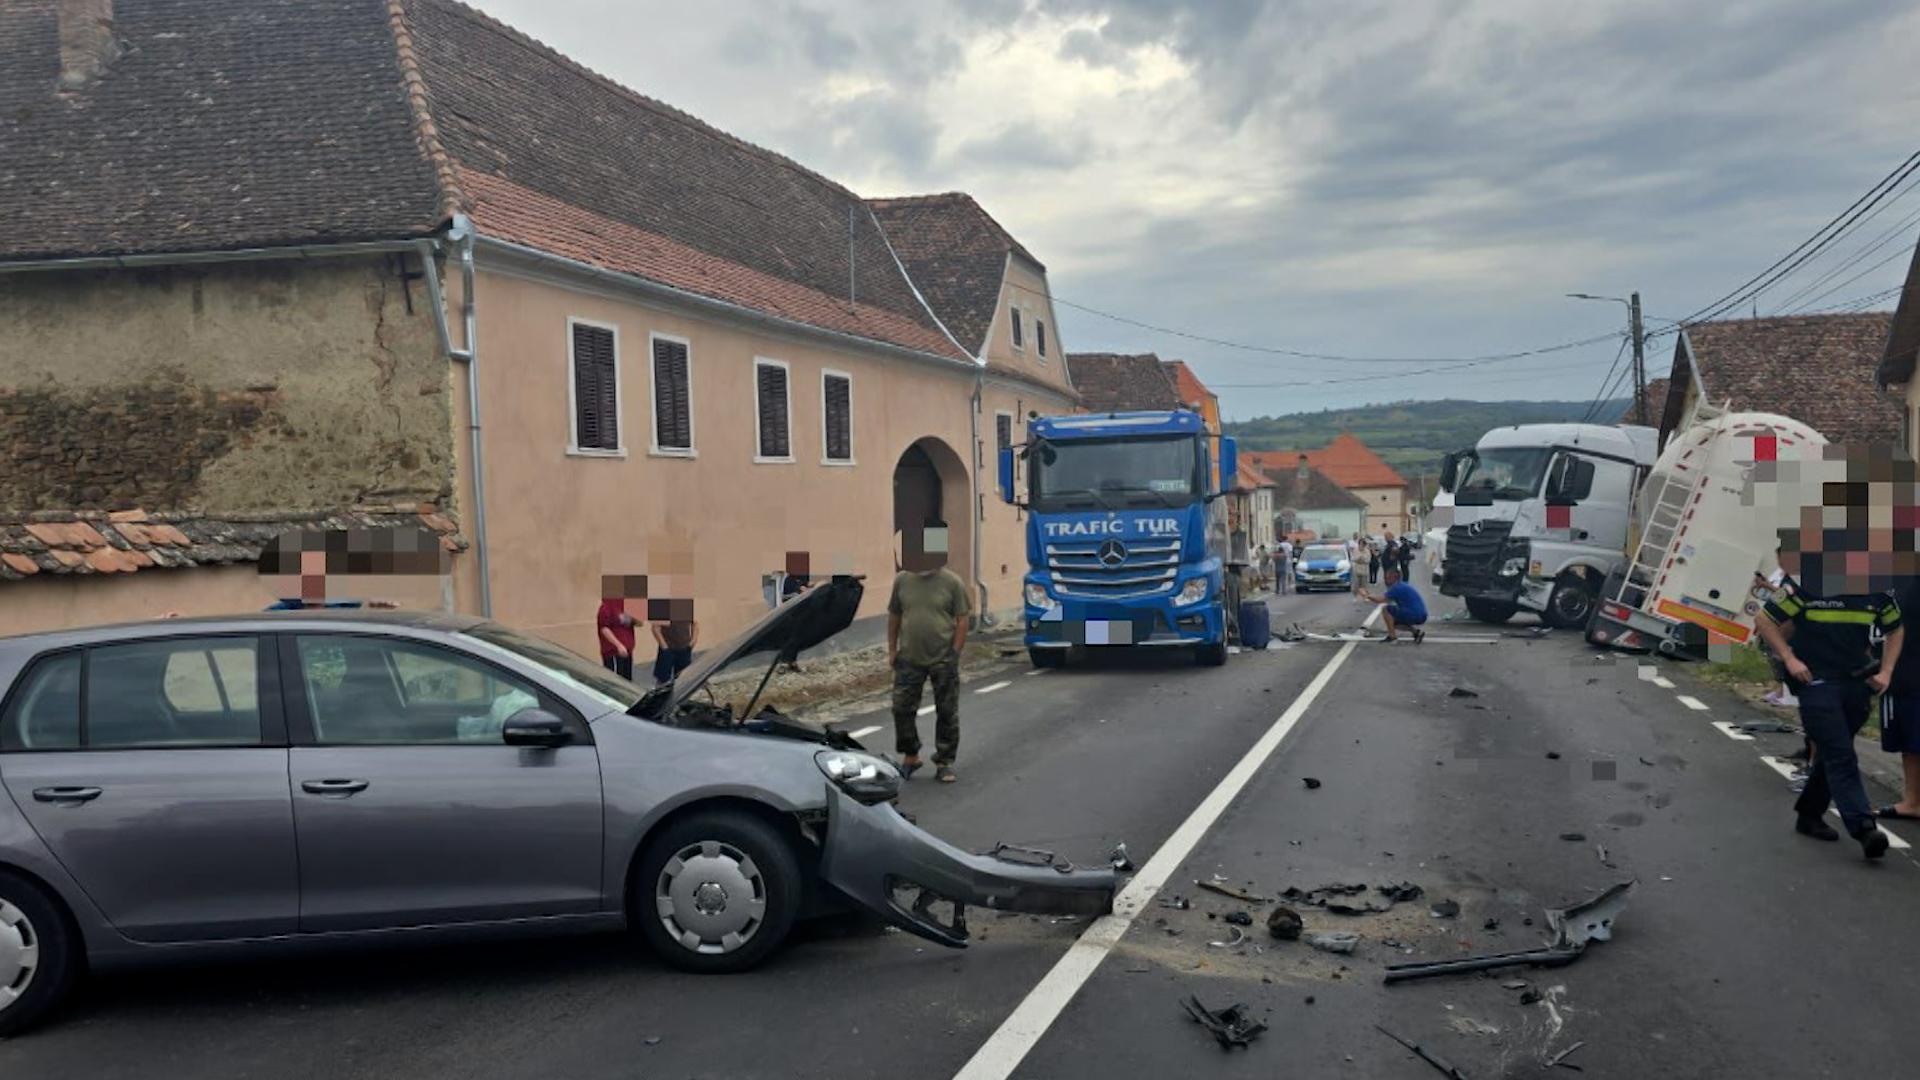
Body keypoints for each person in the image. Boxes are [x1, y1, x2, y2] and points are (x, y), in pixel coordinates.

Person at [1754, 582, 1901, 859]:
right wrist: (1789, 658)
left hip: (1857, 682)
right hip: (1814, 680)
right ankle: (1864, 828)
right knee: (1840, 753)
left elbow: (1895, 628)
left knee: (1835, 751)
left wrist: (1887, 670)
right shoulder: (1804, 584)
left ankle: (1809, 815)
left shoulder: (1876, 592)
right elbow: (1764, 619)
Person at [889, 521, 972, 783]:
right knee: (901, 708)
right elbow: (894, 615)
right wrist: (892, 649)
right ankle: (910, 755)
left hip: (942, 658)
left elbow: (962, 618)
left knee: (946, 711)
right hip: (909, 657)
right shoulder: (902, 580)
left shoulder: (952, 582)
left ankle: (945, 761)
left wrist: (955, 652)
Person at [1877, 573, 1920, 823]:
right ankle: (1912, 801)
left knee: (1913, 739)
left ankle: (1913, 800)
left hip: (1908, 669)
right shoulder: (1897, 579)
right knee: (1909, 742)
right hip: (1899, 670)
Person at [1358, 567, 1427, 643]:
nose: (1385, 580)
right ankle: (1416, 632)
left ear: (1394, 578)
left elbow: (1380, 600)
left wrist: (1366, 595)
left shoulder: (1397, 588)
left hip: (1414, 614)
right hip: (1421, 615)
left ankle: (1392, 637)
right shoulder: (1402, 586)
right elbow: (1385, 599)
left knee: (1386, 609)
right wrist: (1369, 595)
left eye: (1387, 578)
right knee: (1392, 622)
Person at [651, 609, 698, 685]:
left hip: (684, 649)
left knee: (684, 679)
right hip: (667, 650)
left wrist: (693, 641)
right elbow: (655, 628)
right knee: (663, 680)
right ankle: (663, 696)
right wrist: (664, 647)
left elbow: (695, 624)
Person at [597, 595, 637, 679]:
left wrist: (632, 617)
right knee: (616, 681)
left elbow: (640, 623)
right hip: (613, 652)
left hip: (627, 650)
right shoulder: (607, 604)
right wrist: (618, 645)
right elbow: (604, 628)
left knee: (627, 681)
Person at [1350, 533, 1372, 598]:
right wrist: (1358, 559)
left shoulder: (1367, 551)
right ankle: (1355, 596)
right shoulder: (1355, 550)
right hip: (1356, 570)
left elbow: (1368, 560)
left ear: (1365, 545)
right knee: (1356, 585)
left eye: (1363, 544)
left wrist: (1363, 560)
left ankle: (1365, 597)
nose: (1361, 546)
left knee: (1364, 585)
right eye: (1360, 544)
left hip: (1364, 570)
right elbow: (1353, 558)